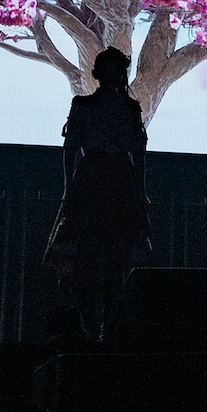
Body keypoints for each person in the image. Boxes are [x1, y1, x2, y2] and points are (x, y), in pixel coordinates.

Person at [44, 47, 152, 341]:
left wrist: (140, 191)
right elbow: (70, 150)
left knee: (116, 255)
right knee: (87, 257)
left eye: (117, 70)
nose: (113, 75)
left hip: (116, 180)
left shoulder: (130, 109)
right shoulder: (84, 105)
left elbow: (137, 153)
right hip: (94, 179)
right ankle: (91, 326)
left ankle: (109, 328)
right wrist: (69, 189)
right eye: (110, 69)